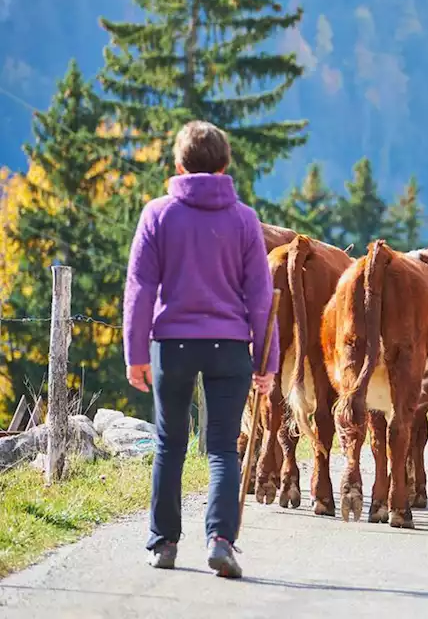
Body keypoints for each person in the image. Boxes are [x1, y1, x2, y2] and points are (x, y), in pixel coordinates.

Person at [123, 120, 280, 579]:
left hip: (171, 344)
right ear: (225, 164)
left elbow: (140, 287)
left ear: (178, 164)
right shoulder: (244, 219)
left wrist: (135, 352)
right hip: (229, 345)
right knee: (222, 449)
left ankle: (164, 543)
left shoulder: (158, 213)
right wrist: (265, 362)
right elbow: (260, 297)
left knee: (169, 444)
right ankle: (220, 541)